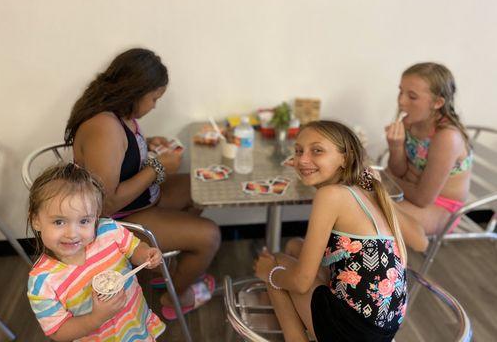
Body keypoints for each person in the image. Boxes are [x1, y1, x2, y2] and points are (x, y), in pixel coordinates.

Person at [64, 48, 220, 319]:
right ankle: (174, 297)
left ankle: (165, 270)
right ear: (135, 91)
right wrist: (156, 168)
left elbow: (118, 157)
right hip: (118, 219)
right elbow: (106, 203)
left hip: (140, 200)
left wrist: (146, 146)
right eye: (154, 98)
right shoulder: (104, 126)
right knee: (210, 236)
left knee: (201, 187)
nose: (155, 105)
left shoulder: (119, 113)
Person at [254, 120, 409, 342]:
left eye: (317, 151)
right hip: (383, 329)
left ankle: (295, 337)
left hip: (352, 331)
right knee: (294, 246)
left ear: (345, 158)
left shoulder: (331, 196)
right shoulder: (365, 188)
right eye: (298, 151)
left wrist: (268, 272)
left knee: (277, 262)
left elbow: (301, 282)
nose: (302, 160)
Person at [27, 163, 165, 341]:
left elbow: (134, 248)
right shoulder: (43, 282)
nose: (72, 234)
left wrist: (146, 254)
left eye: (84, 221)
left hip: (135, 325)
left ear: (96, 216)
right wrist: (96, 318)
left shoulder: (108, 232)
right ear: (36, 220)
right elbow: (58, 332)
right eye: (59, 222)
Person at [385, 62, 472, 235]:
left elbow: (422, 198)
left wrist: (386, 178)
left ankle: (392, 261)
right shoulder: (410, 122)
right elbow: (399, 171)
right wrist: (395, 146)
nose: (401, 101)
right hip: (412, 194)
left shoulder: (446, 137)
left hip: (442, 209)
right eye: (401, 91)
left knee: (370, 213)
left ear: (438, 102)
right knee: (357, 200)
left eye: (412, 96)